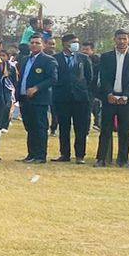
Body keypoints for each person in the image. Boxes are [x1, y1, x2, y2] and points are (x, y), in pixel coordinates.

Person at [95, 30, 129, 167]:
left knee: (124, 131)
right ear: (114, 39)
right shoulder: (106, 57)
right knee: (105, 129)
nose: (122, 41)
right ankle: (102, 159)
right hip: (110, 99)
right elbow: (104, 78)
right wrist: (109, 94)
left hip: (126, 99)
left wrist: (126, 95)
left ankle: (123, 160)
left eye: (124, 38)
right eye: (119, 38)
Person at [15, 36, 58, 163]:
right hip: (24, 98)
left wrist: (37, 88)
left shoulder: (48, 60)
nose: (34, 45)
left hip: (39, 99)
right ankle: (31, 154)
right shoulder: (24, 59)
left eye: (37, 43)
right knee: (30, 127)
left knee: (40, 127)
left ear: (43, 45)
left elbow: (53, 79)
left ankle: (40, 156)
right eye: (32, 42)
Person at [52, 34, 94, 163]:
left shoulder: (83, 58)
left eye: (77, 42)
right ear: (65, 43)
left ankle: (80, 155)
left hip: (80, 98)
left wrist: (83, 90)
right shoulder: (55, 59)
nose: (76, 44)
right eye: (73, 42)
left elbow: (89, 77)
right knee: (64, 127)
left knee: (80, 127)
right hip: (62, 97)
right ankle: (65, 154)